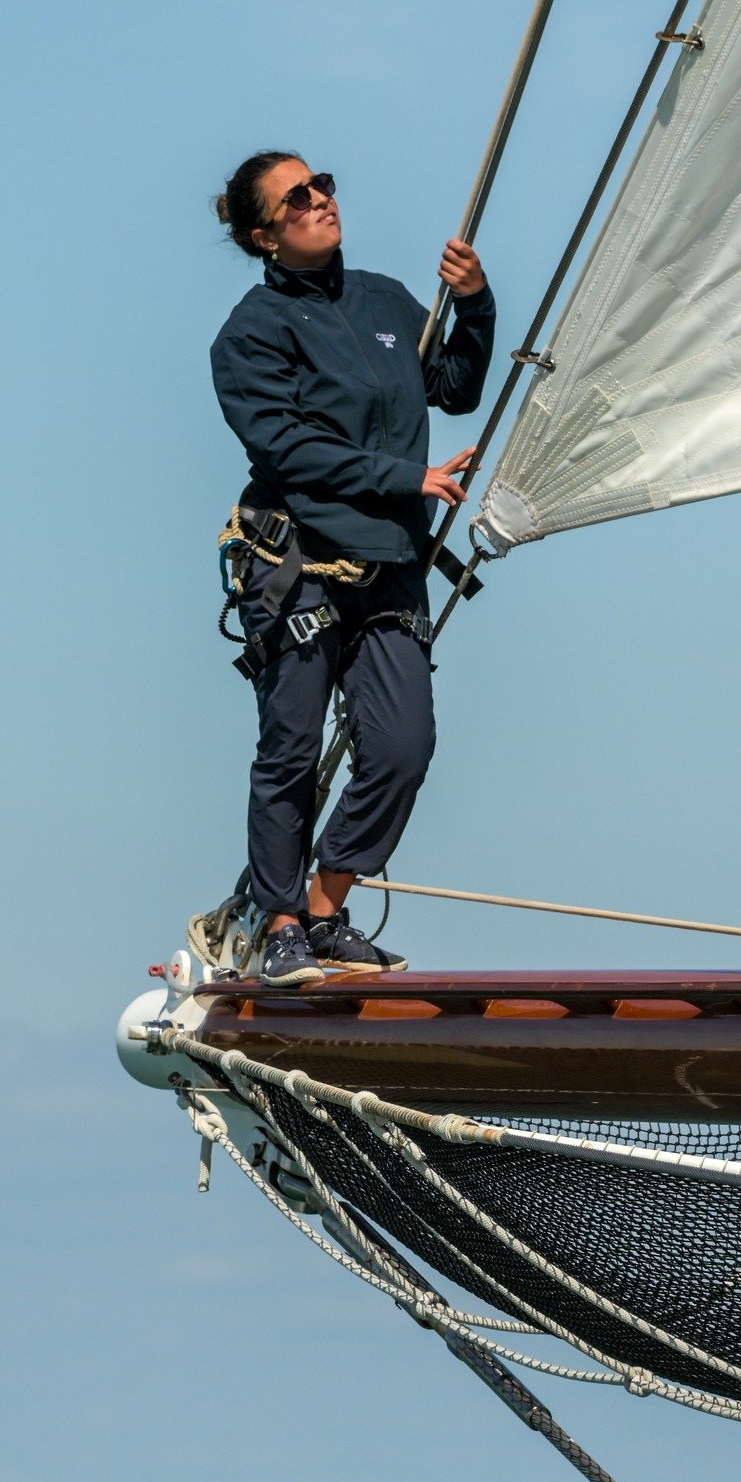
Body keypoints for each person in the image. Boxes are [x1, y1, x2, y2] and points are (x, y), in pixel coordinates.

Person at [210, 153, 495, 988]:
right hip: (295, 560)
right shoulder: (250, 334)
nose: (320, 201)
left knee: (403, 747)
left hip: (388, 563)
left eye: (322, 184)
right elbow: (288, 449)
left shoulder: (383, 299)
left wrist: (473, 303)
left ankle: (327, 906)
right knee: (290, 753)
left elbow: (452, 387)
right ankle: (279, 921)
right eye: (297, 198)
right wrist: (408, 477)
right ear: (265, 234)